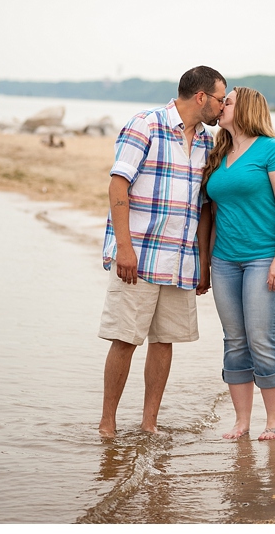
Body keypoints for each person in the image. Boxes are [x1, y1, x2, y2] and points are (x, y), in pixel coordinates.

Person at [98, 65, 226, 438]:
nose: (223, 106)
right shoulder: (146, 125)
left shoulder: (206, 142)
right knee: (125, 338)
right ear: (201, 97)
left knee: (164, 340)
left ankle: (149, 423)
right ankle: (107, 424)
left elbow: (203, 207)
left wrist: (202, 261)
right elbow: (118, 185)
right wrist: (124, 248)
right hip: (139, 256)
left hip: (180, 259)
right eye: (220, 98)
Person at [202, 87, 275, 441]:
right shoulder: (219, 151)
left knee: (261, 338)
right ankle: (242, 421)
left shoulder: (273, 149)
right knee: (235, 341)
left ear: (246, 109)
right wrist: (207, 265)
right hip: (225, 261)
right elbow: (213, 213)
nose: (220, 105)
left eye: (227, 101)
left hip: (264, 259)